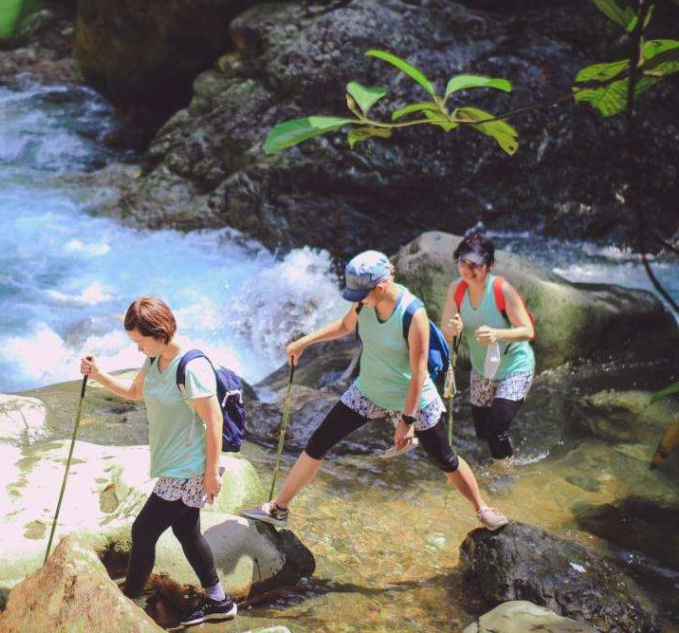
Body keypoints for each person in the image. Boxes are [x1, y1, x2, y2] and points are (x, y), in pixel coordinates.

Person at [243, 250, 508, 531]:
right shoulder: (363, 303)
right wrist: (303, 342)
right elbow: (345, 325)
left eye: (361, 295)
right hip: (368, 390)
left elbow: (419, 371)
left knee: (446, 458)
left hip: (412, 398)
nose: (357, 301)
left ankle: (482, 508)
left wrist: (407, 421)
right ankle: (279, 508)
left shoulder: (412, 314)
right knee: (317, 443)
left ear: (380, 287)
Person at [80, 297, 237, 627]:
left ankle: (127, 604)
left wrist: (212, 474)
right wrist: (98, 374)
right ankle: (219, 600)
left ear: (160, 333)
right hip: (174, 464)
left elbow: (214, 422)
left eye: (140, 341)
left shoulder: (191, 368)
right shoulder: (155, 359)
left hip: (189, 468)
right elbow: (135, 392)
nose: (137, 348)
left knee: (143, 531)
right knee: (187, 532)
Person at [439, 232, 535, 470]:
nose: (468, 270)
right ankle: (496, 462)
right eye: (463, 262)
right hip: (482, 369)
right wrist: (453, 329)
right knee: (483, 431)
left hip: (515, 366)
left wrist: (497, 334)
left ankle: (504, 475)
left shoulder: (502, 290)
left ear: (489, 266)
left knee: (496, 430)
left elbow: (528, 331)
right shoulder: (456, 289)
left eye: (476, 265)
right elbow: (445, 332)